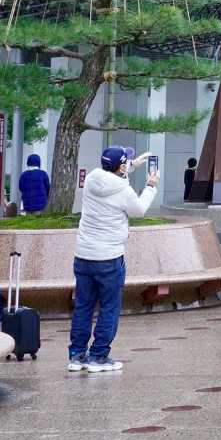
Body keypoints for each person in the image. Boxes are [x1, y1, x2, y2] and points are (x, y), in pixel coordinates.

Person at [70, 145, 158, 373]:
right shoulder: (124, 191)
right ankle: (98, 356)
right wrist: (151, 186)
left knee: (83, 306)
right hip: (109, 257)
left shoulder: (92, 179)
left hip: (83, 255)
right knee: (109, 307)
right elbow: (138, 210)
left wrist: (133, 165)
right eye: (126, 161)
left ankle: (77, 356)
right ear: (120, 167)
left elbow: (111, 177)